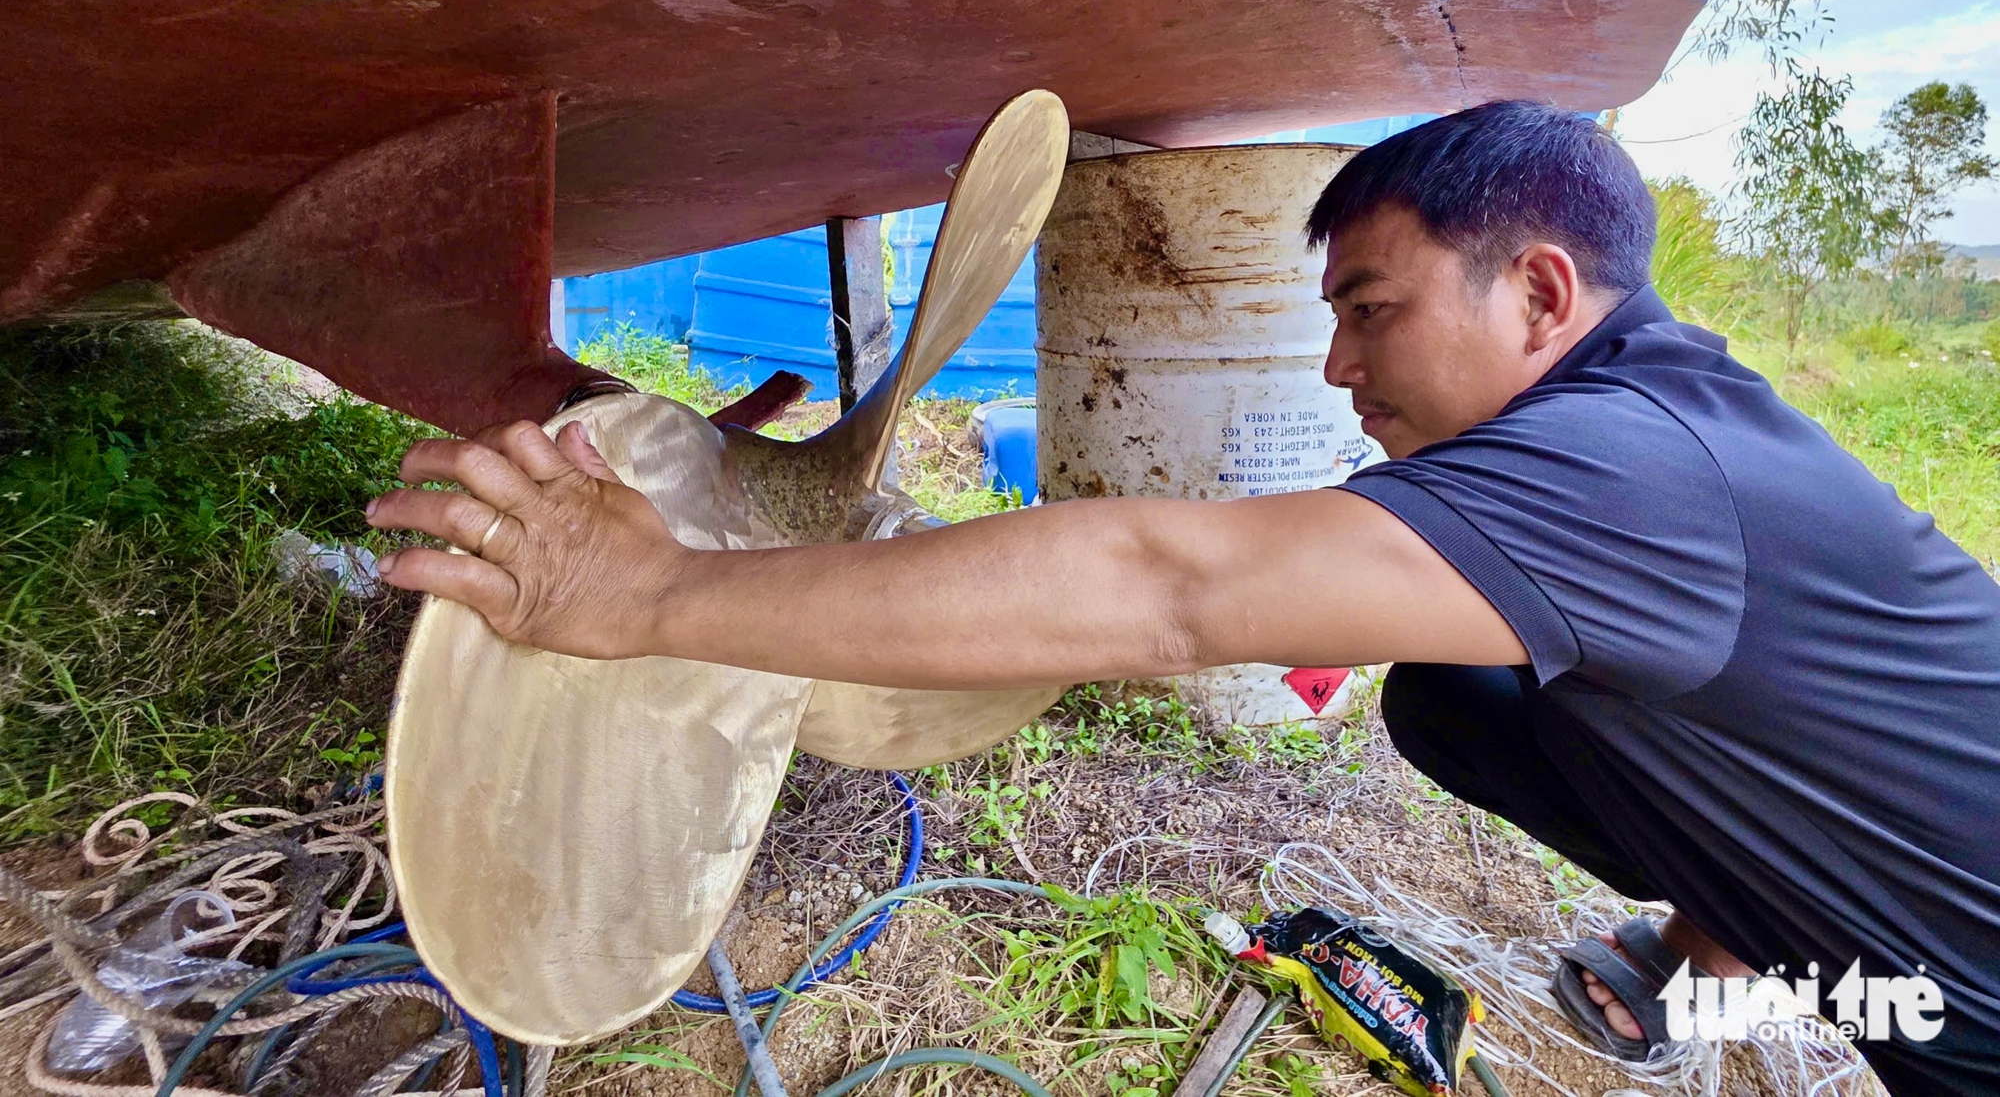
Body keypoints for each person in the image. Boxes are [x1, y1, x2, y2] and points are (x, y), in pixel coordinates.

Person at [366, 102, 2000, 1097]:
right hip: (1898, 943)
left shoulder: (1640, 477)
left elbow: (1167, 588)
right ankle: (1727, 932)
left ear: (1544, 293)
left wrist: (647, 594)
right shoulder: (1664, 424)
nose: (1342, 368)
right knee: (1449, 703)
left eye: (1370, 308)